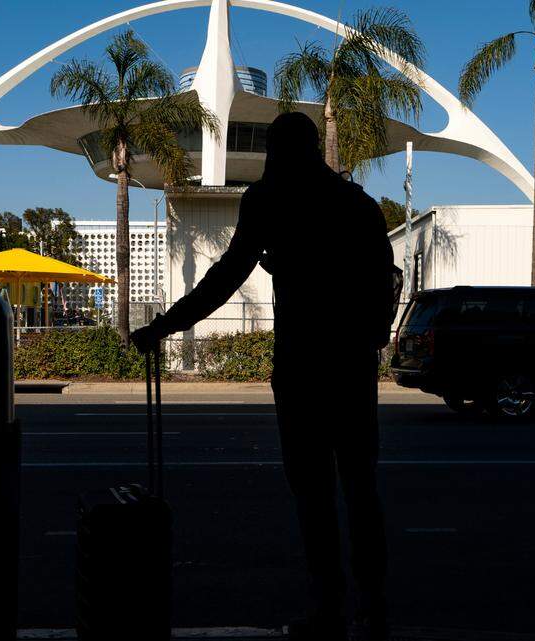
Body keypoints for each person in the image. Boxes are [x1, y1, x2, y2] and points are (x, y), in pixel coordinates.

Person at [130, 112, 395, 641]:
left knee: (314, 494)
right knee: (361, 490)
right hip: (351, 365)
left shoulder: (270, 201)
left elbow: (225, 277)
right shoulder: (357, 204)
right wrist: (371, 338)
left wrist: (165, 325)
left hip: (300, 366)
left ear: (274, 152)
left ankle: (330, 607)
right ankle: (375, 606)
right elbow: (383, 279)